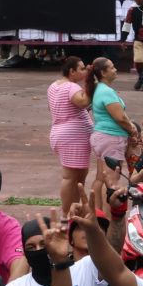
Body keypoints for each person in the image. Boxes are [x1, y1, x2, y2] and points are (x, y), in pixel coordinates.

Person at [47, 57, 92, 212]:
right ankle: (67, 214)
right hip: (73, 137)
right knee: (70, 177)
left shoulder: (54, 86)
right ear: (72, 72)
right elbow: (83, 102)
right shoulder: (71, 87)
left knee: (77, 176)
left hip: (62, 134)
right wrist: (91, 83)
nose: (85, 71)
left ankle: (73, 211)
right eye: (81, 69)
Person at [85, 57, 138, 166]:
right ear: (103, 73)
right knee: (112, 179)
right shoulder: (106, 91)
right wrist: (132, 129)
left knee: (103, 177)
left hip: (104, 138)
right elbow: (120, 118)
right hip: (111, 138)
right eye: (112, 68)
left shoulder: (99, 88)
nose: (115, 70)